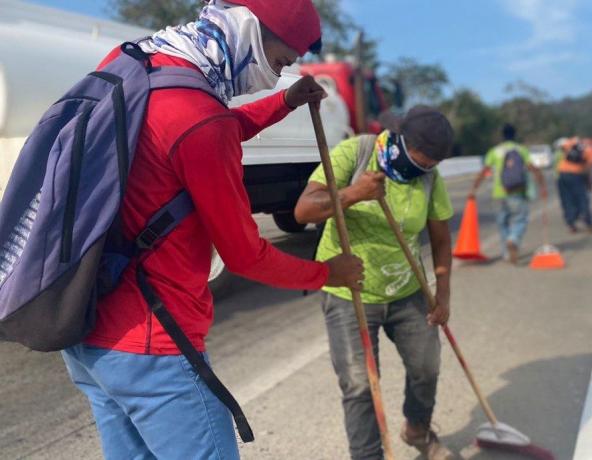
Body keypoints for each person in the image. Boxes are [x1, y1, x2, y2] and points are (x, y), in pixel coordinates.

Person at [60, 2, 364, 459]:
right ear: (249, 32)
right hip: (154, 348)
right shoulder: (199, 116)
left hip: (87, 333)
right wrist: (327, 274)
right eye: (280, 62)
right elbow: (246, 256)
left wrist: (282, 102)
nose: (272, 75)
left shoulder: (139, 64)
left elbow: (196, 134)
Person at [294, 107, 457, 460]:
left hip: (407, 290)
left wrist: (442, 294)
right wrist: (354, 193)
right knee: (360, 386)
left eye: (430, 165)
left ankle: (416, 429)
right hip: (349, 291)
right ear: (399, 139)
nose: (422, 171)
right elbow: (304, 211)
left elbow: (441, 239)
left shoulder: (429, 177)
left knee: (426, 368)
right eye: (418, 162)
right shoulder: (356, 153)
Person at [468, 124, 547, 264]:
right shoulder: (521, 149)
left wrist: (473, 189)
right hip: (517, 191)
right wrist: (542, 185)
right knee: (520, 218)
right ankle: (514, 238)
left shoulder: (494, 151)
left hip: (498, 192)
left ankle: (506, 252)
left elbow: (484, 171)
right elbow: (532, 167)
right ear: (515, 135)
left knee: (502, 222)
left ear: (502, 135)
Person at [556, 136, 592, 233]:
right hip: (576, 175)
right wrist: (589, 183)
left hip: (562, 173)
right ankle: (588, 223)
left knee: (567, 200)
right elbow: (588, 168)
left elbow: (562, 148)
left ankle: (571, 224)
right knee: (582, 199)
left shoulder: (574, 141)